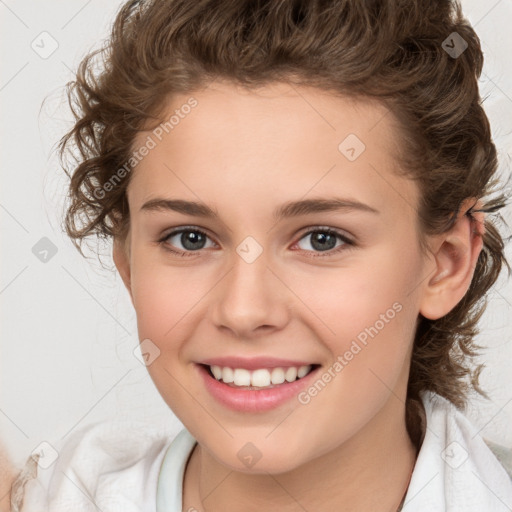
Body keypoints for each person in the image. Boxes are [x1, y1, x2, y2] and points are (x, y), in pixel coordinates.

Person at [10, 0, 512, 510]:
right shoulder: (55, 495)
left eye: (322, 239)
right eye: (190, 238)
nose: (244, 311)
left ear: (445, 264)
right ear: (128, 262)